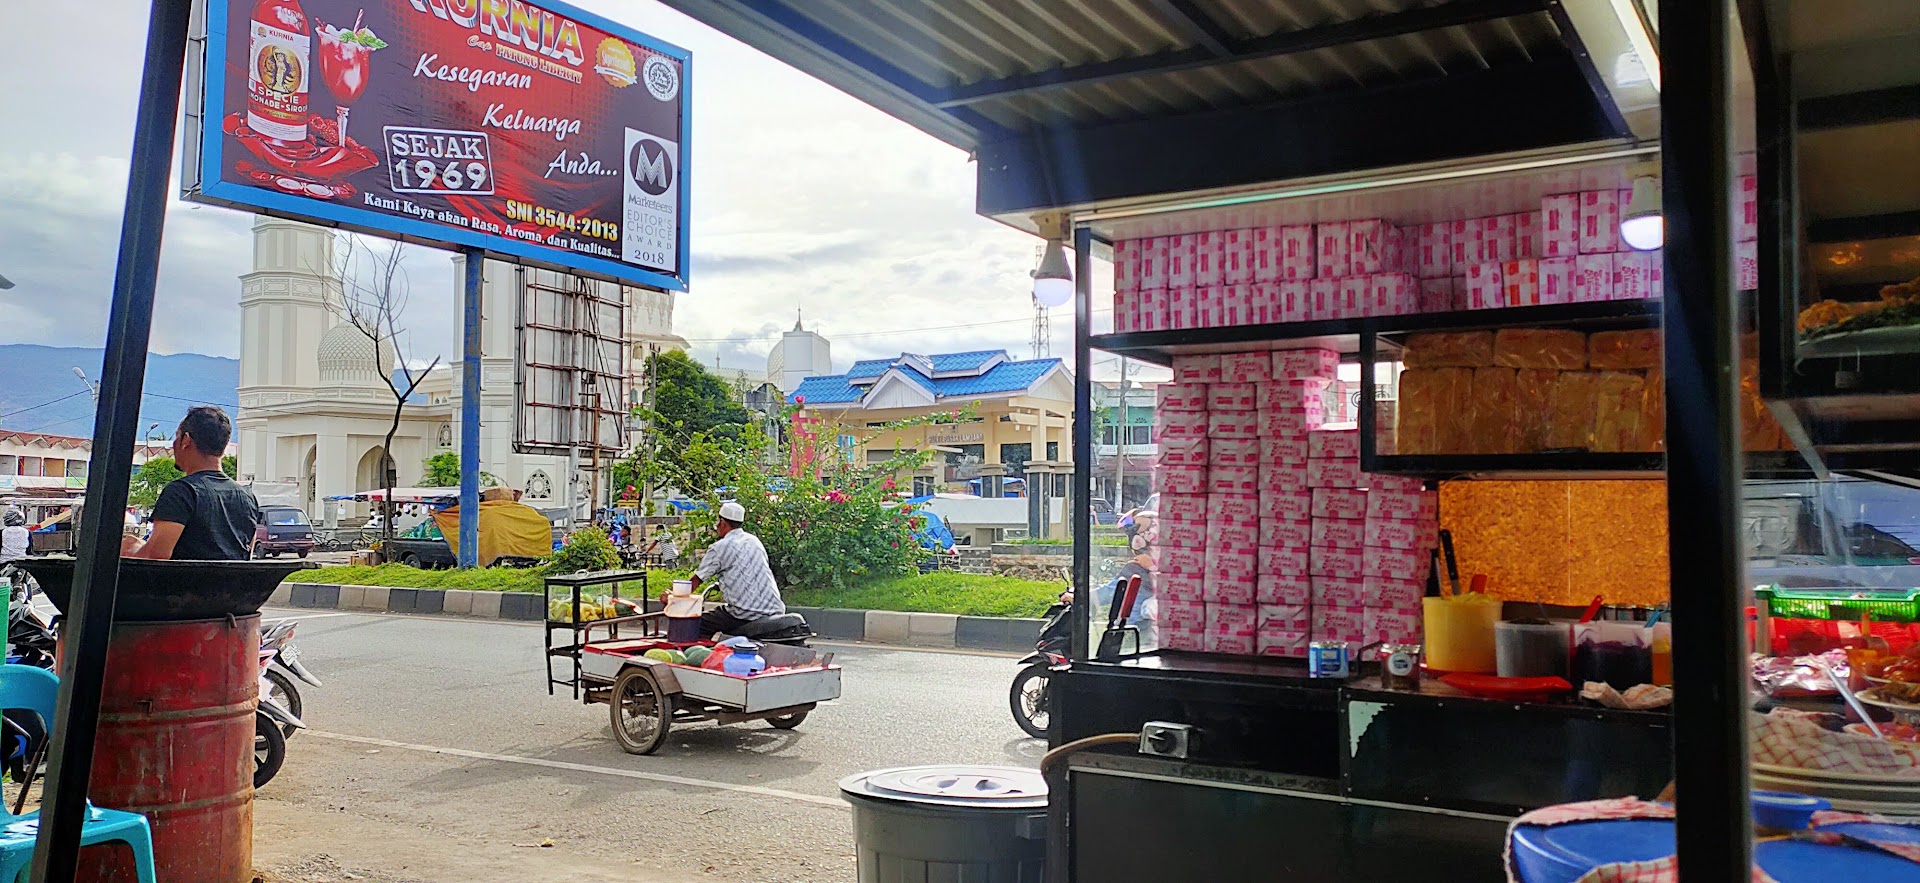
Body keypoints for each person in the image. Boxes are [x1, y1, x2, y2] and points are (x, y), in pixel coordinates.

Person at [122, 406, 260, 561]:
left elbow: (154, 556)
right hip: (232, 585)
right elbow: (245, 556)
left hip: (182, 585)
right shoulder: (248, 499)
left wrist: (130, 547)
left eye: (177, 436)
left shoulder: (181, 492)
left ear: (186, 440)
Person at [688, 501, 785, 637]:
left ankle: (700, 655)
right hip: (774, 609)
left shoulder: (719, 548)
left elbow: (697, 580)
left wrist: (674, 596)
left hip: (742, 613)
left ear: (722, 522)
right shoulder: (754, 541)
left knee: (697, 625)